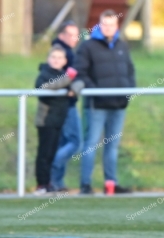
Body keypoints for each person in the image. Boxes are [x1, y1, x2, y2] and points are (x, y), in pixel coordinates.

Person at [71, 9, 135, 195]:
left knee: (112, 146)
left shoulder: (122, 45)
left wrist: (129, 91)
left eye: (112, 24)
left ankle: (111, 183)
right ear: (99, 25)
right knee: (91, 144)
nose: (108, 28)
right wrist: (96, 92)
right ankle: (85, 184)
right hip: (97, 105)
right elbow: (80, 72)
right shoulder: (88, 46)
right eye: (105, 24)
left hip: (118, 104)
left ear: (117, 26)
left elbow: (129, 71)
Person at [34, 46, 77, 195]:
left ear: (65, 61)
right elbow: (45, 87)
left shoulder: (64, 75)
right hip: (46, 120)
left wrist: (74, 88)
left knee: (52, 153)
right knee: (44, 154)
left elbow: (80, 82)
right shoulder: (44, 74)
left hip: (59, 119)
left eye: (60, 58)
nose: (56, 60)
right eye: (53, 57)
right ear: (48, 59)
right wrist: (68, 80)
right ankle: (42, 184)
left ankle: (50, 182)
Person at [49, 20, 82, 192]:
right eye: (70, 34)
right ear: (61, 35)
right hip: (64, 105)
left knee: (63, 142)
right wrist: (73, 86)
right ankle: (52, 167)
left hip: (66, 102)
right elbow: (57, 80)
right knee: (75, 142)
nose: (74, 38)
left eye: (76, 34)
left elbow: (75, 78)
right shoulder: (62, 52)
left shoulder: (68, 52)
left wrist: (75, 86)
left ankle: (57, 182)